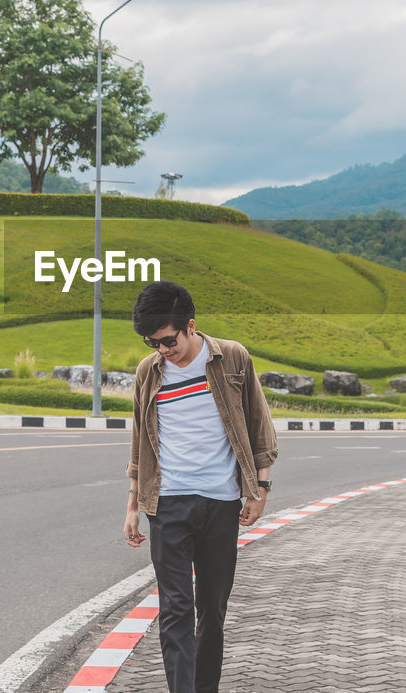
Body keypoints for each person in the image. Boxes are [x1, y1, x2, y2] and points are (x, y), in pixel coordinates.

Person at [123, 280, 279, 693]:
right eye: (151, 342)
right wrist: (133, 503)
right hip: (168, 504)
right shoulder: (148, 372)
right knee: (176, 607)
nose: (162, 350)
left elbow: (260, 426)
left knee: (212, 607)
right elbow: (140, 440)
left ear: (190, 326)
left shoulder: (232, 359)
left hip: (220, 502)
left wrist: (259, 490)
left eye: (168, 340)